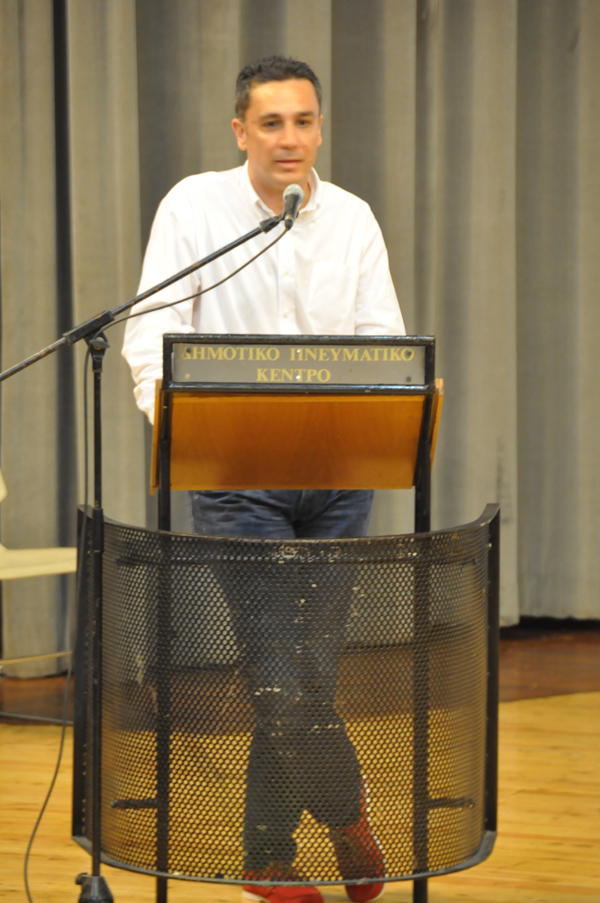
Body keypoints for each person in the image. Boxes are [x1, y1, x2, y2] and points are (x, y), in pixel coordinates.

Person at [123, 56, 405, 903]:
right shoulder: (195, 207)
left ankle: (266, 858)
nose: (291, 139)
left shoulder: (352, 217)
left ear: (320, 128)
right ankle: (346, 808)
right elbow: (151, 331)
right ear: (240, 130)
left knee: (302, 675)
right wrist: (179, 422)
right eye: (272, 123)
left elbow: (382, 341)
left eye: (304, 121)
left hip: (337, 476)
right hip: (237, 475)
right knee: (278, 670)